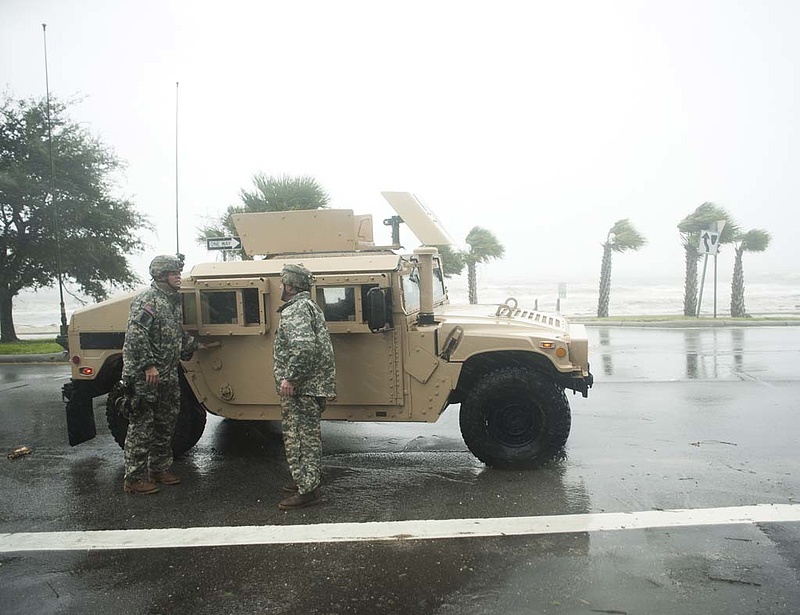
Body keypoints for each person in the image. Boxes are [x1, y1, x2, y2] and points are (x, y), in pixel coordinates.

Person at [120, 254, 196, 495]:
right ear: (161, 276)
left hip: (167, 373)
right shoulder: (148, 300)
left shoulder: (172, 301)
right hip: (146, 375)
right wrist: (147, 365)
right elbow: (136, 335)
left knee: (166, 422)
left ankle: (159, 469)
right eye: (174, 274)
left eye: (178, 273)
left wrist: (192, 346)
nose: (179, 277)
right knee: (142, 425)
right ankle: (134, 478)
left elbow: (175, 335)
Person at [273, 263, 336, 510]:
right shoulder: (308, 306)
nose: (280, 286)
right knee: (306, 436)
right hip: (310, 386)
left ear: (290, 285)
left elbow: (303, 348)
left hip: (302, 388)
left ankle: (308, 490)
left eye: (282, 283)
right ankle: (306, 480)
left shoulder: (296, 310)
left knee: (300, 438)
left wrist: (291, 378)